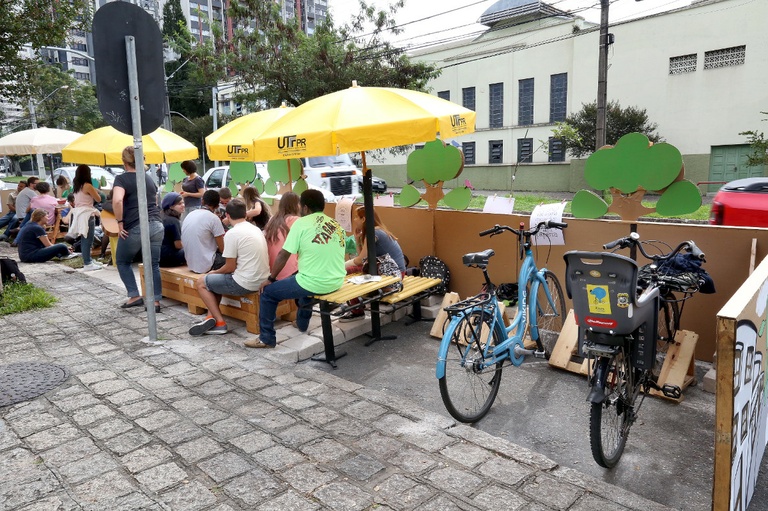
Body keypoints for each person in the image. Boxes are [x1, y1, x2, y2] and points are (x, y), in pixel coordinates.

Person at [249, 190, 346, 349]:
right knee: (302, 280)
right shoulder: (335, 224)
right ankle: (301, 324)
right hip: (336, 280)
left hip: (314, 282)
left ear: (305, 208)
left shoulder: (301, 223)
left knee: (268, 293)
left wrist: (271, 279)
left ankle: (266, 338)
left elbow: (283, 254)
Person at [189, 198, 270, 336]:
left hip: (245, 283)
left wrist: (212, 272)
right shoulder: (255, 229)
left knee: (202, 282)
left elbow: (229, 267)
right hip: (263, 279)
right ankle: (210, 317)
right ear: (246, 214)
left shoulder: (232, 234)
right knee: (215, 281)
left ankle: (220, 323)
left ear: (227, 215)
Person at [113, 146, 164, 311]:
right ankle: (155, 302)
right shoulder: (149, 179)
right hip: (156, 224)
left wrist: (120, 222)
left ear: (124, 161)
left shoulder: (122, 179)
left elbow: (117, 201)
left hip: (135, 225)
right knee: (153, 264)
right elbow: (155, 200)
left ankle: (134, 295)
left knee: (122, 260)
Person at [339, 206, 407, 322]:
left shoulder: (374, 233)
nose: (354, 220)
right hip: (395, 271)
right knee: (351, 271)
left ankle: (357, 310)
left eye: (357, 217)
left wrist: (342, 266)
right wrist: (357, 239)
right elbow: (363, 258)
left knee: (349, 275)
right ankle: (356, 304)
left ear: (364, 219)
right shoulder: (378, 230)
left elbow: (360, 260)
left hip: (392, 275)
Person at [68, 164, 104, 271]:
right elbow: (98, 199)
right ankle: (88, 263)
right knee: (88, 239)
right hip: (87, 213)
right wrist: (96, 190)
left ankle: (88, 259)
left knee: (85, 238)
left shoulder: (76, 185)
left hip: (80, 213)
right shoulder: (87, 185)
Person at [181, 189, 226, 273]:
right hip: (207, 265)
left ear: (202, 201)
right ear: (217, 206)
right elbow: (222, 249)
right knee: (234, 258)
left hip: (190, 263)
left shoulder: (190, 214)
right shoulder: (213, 218)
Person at [263, 191, 300, 281]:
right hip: (288, 271)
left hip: (271, 268)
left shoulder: (273, 219)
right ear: (296, 205)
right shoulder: (296, 220)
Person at [159, 192, 185, 267]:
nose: (183, 205)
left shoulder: (161, 216)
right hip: (168, 257)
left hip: (157, 256)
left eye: (183, 203)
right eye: (179, 204)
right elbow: (178, 245)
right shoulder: (173, 221)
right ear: (171, 207)